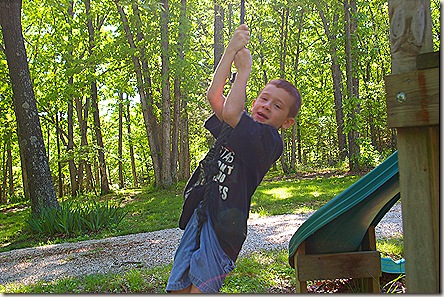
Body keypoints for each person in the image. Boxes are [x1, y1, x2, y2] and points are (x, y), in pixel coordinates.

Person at [166, 24, 302, 293]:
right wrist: (229, 52)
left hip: (224, 229)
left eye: (277, 106)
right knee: (178, 288)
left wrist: (244, 72)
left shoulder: (269, 141)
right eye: (264, 99)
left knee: (200, 291)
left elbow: (230, 112)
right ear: (253, 103)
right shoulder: (239, 125)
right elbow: (214, 96)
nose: (266, 106)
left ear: (287, 122)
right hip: (201, 214)